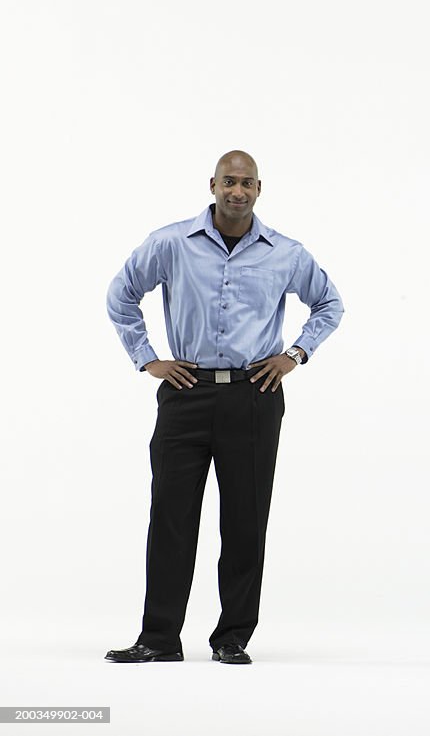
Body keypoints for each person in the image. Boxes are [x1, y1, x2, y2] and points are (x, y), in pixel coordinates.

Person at [104, 150, 343, 664]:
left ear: (260, 190)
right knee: (170, 517)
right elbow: (121, 294)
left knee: (245, 519)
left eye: (247, 183)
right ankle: (159, 639)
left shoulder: (286, 252)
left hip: (253, 396)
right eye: (229, 181)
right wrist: (148, 360)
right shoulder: (171, 242)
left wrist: (295, 354)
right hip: (184, 394)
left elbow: (330, 303)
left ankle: (231, 637)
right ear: (212, 184)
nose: (237, 191)